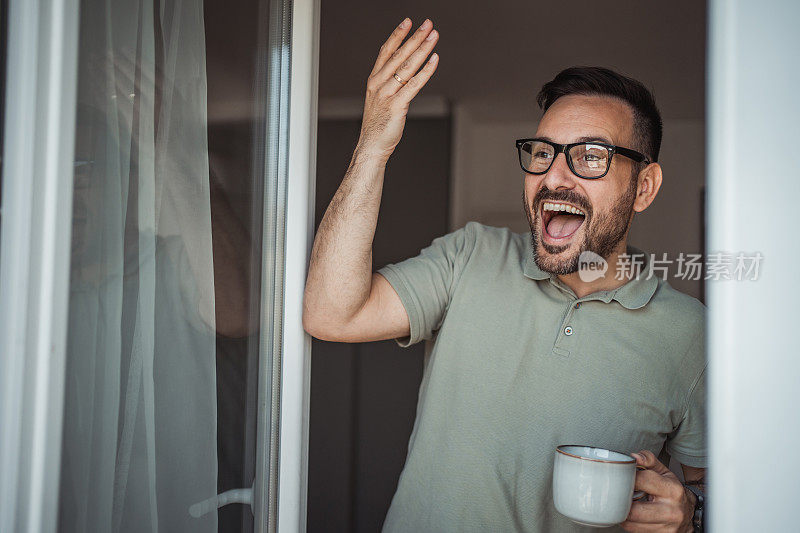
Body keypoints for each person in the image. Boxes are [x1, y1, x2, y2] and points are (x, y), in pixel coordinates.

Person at [303, 17, 706, 533]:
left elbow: (713, 486)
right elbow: (330, 314)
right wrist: (374, 143)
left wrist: (691, 513)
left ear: (645, 187)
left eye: (590, 157)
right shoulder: (472, 255)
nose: (553, 177)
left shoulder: (691, 335)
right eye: (543, 153)